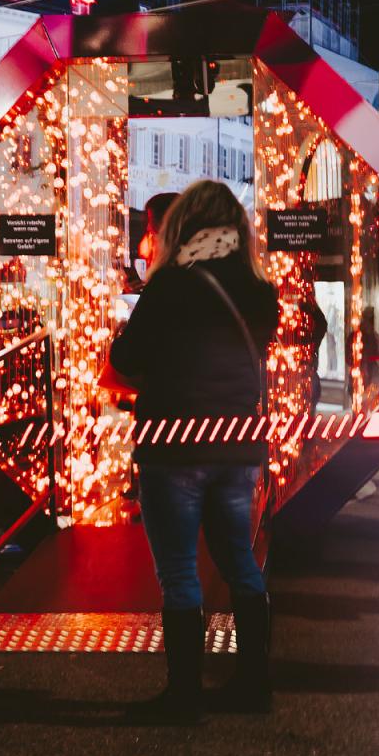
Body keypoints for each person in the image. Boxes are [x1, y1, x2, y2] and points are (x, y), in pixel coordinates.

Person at [109, 180, 279, 722]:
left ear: (184, 225)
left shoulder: (169, 286)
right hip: (237, 444)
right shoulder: (259, 291)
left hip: (175, 446)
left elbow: (128, 359)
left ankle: (184, 697)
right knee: (240, 561)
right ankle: (253, 685)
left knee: (180, 570)